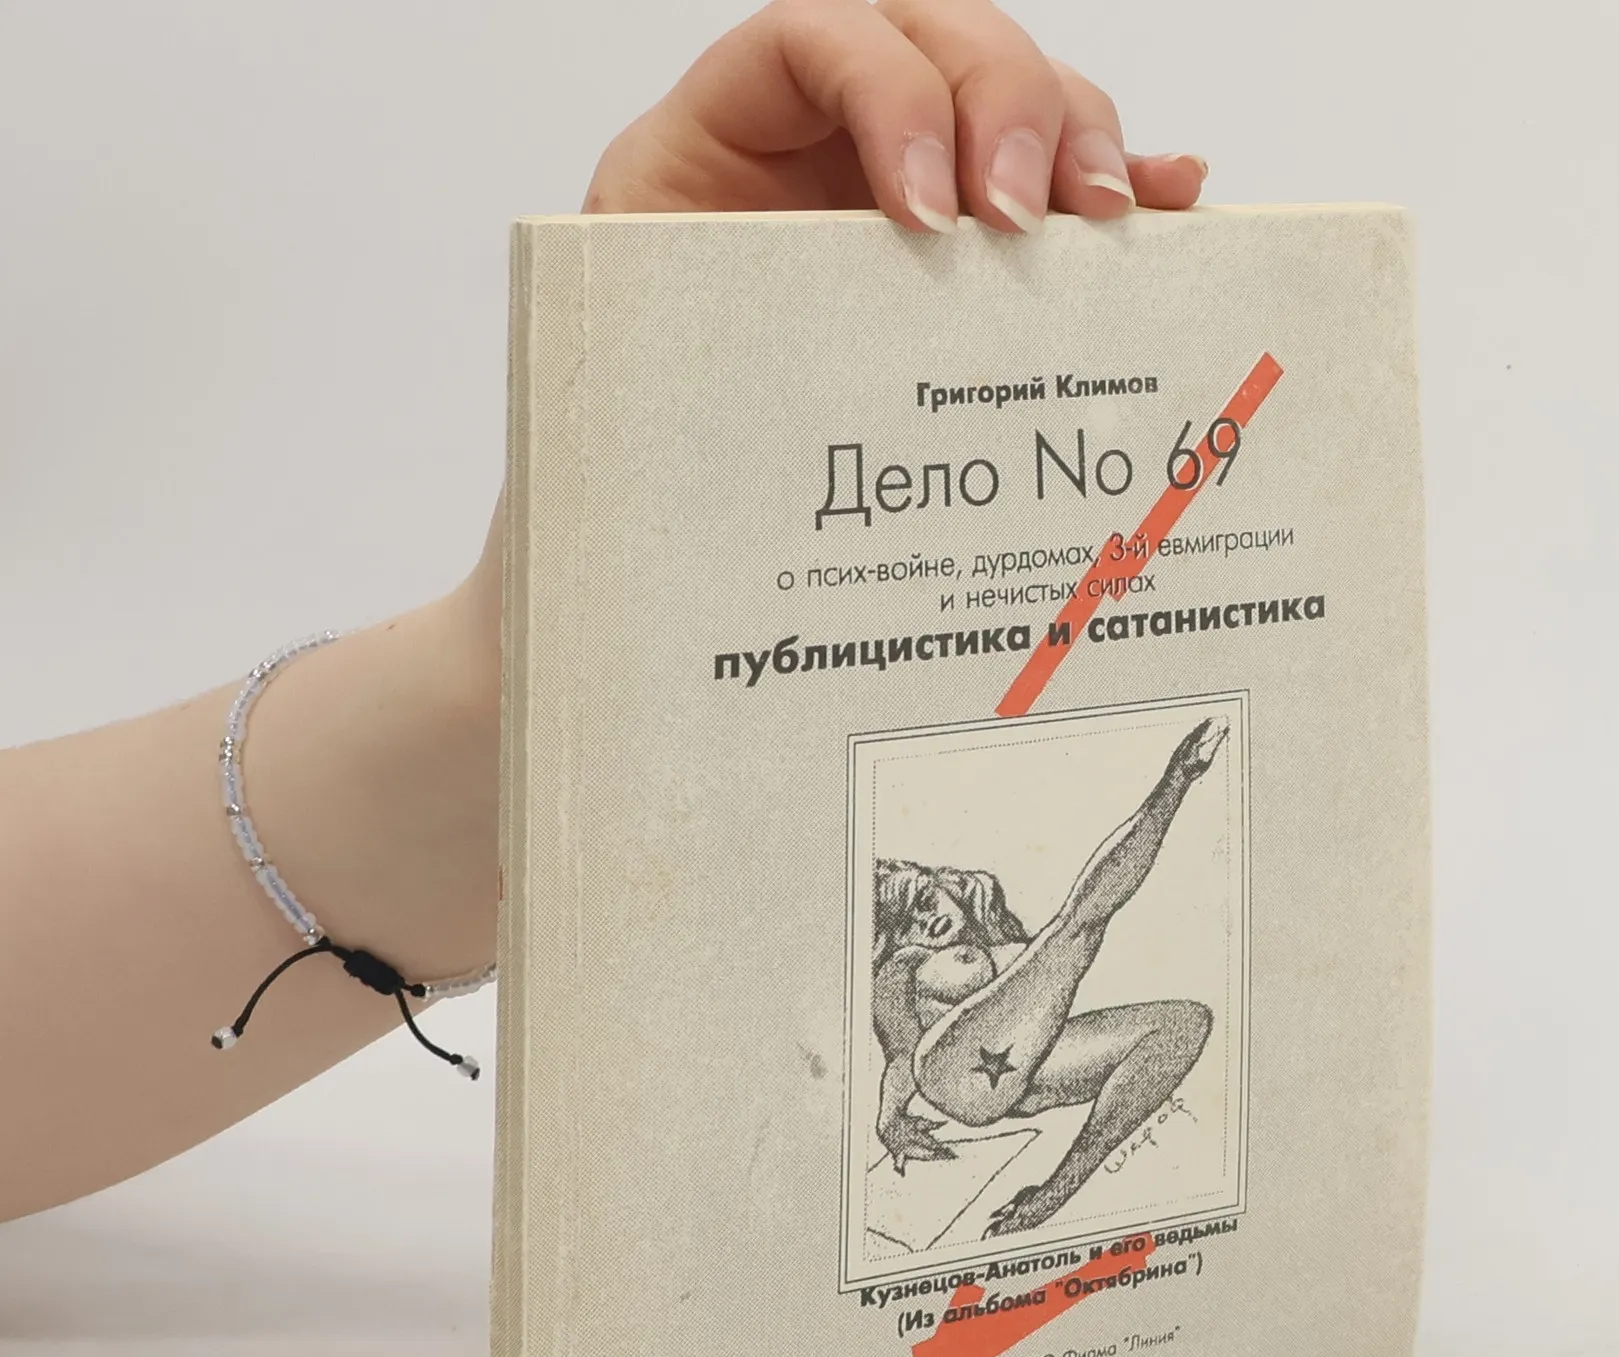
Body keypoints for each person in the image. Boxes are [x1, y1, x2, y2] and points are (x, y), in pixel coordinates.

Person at [0, 0, 1207, 1227]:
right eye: (944, 922)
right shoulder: (939, 995)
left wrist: (527, 693)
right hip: (958, 1068)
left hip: (968, 1060)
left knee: (1134, 987)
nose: (959, 927)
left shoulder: (953, 993)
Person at [870, 718, 1225, 1236]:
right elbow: (905, 1053)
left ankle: (1055, 1192)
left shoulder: (999, 944)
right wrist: (890, 1120)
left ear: (948, 885)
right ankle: (1177, 781)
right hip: (951, 1076)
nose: (926, 922)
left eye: (925, 900)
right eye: (907, 925)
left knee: (1184, 1024)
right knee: (1077, 926)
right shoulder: (904, 967)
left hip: (1029, 1076)